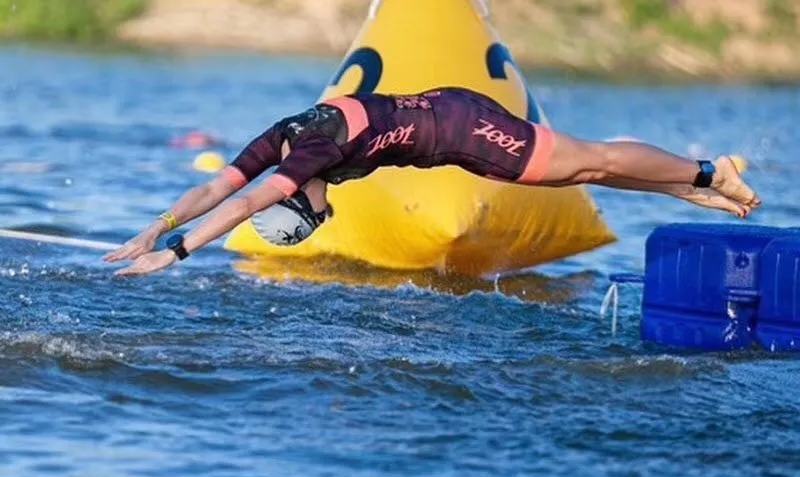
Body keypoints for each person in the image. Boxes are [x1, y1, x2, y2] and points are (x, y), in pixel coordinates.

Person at [104, 87, 760, 276]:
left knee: (590, 161)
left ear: (297, 195)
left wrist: (176, 254)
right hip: (453, 126)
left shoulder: (305, 161)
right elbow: (215, 189)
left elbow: (244, 202)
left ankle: (707, 170)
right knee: (580, 171)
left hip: (464, 129)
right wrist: (155, 228)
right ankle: (681, 184)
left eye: (314, 214)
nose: (325, 210)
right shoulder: (282, 137)